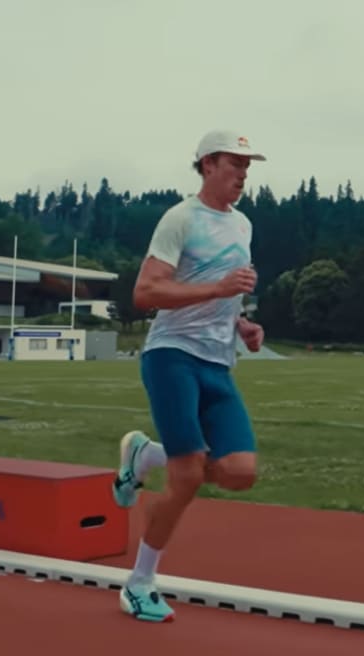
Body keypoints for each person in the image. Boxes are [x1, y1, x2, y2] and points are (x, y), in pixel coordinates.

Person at [109, 130, 267, 622]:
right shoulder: (179, 219)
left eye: (247, 166)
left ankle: (144, 454)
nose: (243, 173)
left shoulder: (243, 225)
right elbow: (146, 292)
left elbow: (224, 295)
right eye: (234, 164)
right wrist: (218, 287)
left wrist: (242, 324)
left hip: (218, 361)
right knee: (188, 475)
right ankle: (139, 583)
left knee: (241, 473)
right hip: (171, 355)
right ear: (207, 164)